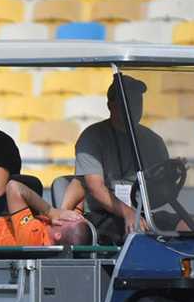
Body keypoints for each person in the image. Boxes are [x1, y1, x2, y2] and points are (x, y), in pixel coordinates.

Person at [61, 75, 185, 244]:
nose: (134, 107)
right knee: (133, 231)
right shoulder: (92, 137)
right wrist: (127, 213)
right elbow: (95, 186)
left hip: (142, 213)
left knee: (185, 225)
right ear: (110, 105)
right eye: (128, 101)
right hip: (104, 215)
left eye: (137, 101)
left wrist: (171, 176)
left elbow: (158, 193)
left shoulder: (153, 141)